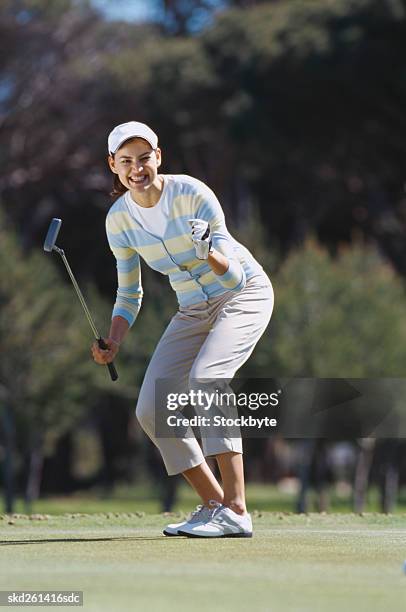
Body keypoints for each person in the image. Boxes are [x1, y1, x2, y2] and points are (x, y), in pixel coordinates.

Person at [92, 121, 274, 538]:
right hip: (192, 308)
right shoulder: (118, 221)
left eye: (143, 158)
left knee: (207, 379)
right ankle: (215, 506)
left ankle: (238, 510)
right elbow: (129, 293)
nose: (136, 168)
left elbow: (234, 281)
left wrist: (208, 250)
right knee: (152, 408)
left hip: (244, 295)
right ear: (113, 166)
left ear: (159, 157)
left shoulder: (192, 193)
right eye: (126, 161)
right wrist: (114, 341)